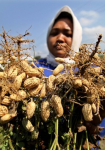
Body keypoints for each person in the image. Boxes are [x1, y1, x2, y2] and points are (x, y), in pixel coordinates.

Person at [36, 5, 105, 149]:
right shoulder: (35, 68)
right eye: (54, 32)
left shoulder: (91, 70)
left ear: (77, 36)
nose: (60, 38)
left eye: (67, 34)